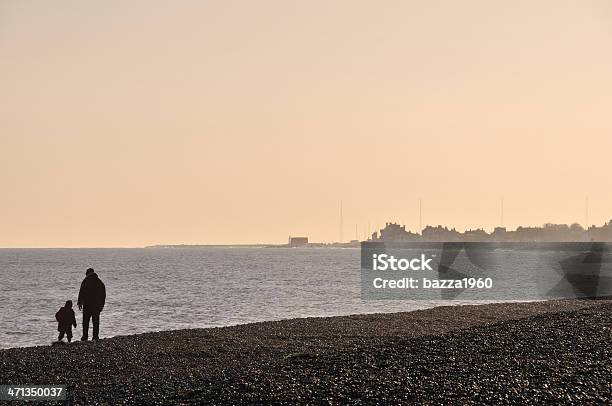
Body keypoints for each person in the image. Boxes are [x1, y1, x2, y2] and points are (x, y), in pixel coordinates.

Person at [77, 268, 106, 341]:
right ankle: (95, 336)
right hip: (96, 305)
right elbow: (103, 295)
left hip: (87, 304)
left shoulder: (85, 281)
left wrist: (80, 303)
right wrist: (102, 305)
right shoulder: (99, 282)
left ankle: (85, 336)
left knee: (85, 322)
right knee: (96, 322)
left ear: (87, 273)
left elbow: (81, 292)